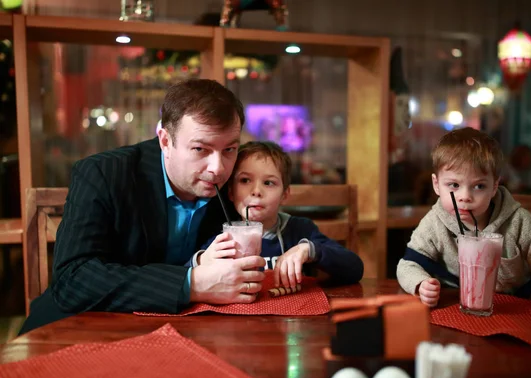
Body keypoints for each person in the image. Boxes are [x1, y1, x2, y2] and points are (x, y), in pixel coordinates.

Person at [20, 79, 266, 334]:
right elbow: (73, 279)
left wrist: (303, 248)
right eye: (200, 149)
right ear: (165, 141)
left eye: (230, 149)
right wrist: (193, 284)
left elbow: (275, 227)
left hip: (186, 334)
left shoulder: (236, 180)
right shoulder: (104, 174)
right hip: (80, 331)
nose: (218, 168)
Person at [396, 127, 531, 336]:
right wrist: (420, 284)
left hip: (519, 319)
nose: (465, 196)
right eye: (454, 185)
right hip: (458, 318)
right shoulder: (435, 221)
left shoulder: (518, 222)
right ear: (437, 185)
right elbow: (408, 263)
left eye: (479, 186)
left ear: (494, 186)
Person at [188, 141, 363, 288]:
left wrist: (309, 250)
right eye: (245, 180)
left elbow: (355, 268)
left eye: (268, 183)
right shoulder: (222, 237)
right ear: (231, 193)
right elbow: (185, 273)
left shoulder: (300, 230)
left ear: (285, 195)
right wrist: (203, 259)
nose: (256, 191)